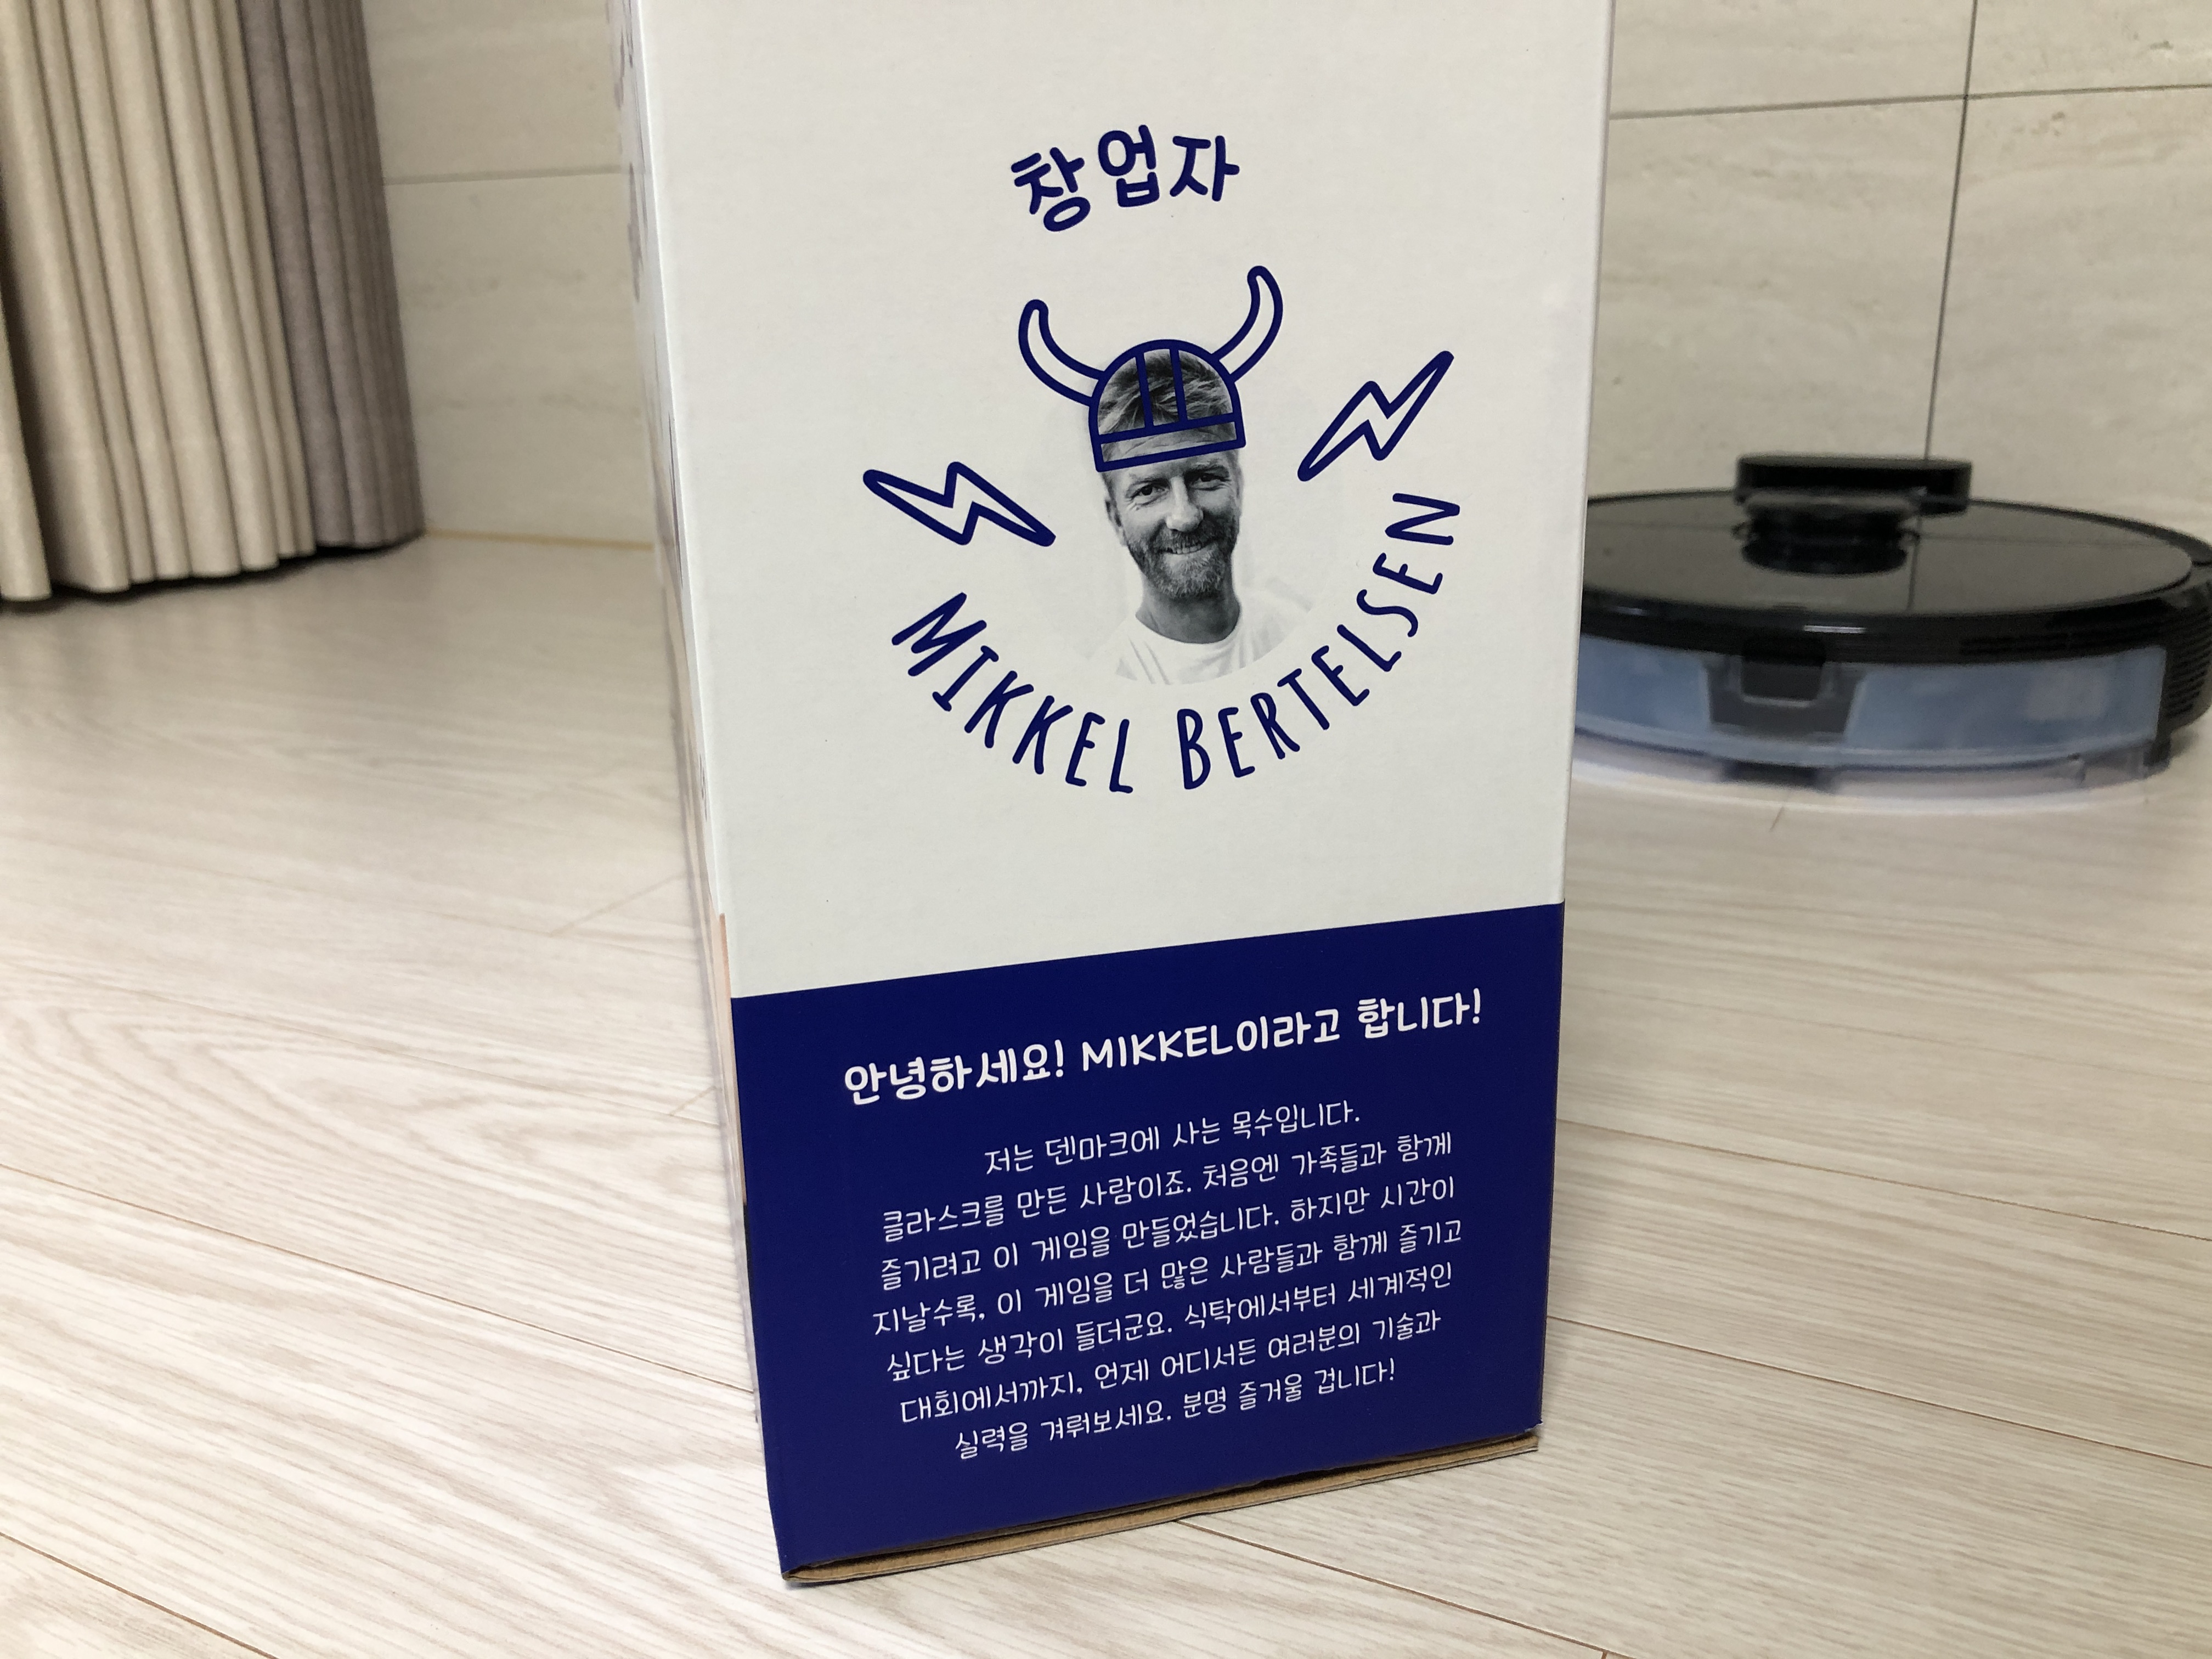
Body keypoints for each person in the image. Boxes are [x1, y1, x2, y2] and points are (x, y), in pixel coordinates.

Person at [1087, 350, 1299, 684]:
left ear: (1239, 486)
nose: (1185, 516)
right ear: (1116, 519)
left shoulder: (1298, 633)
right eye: (1148, 490)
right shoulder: (1108, 690)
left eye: (1204, 477)